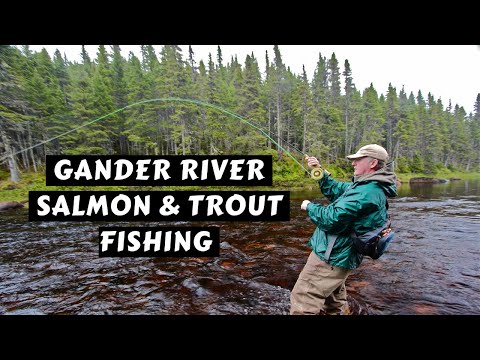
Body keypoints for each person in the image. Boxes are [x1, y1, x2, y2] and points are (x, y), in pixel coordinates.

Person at [290, 144, 397, 315]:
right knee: (334, 302)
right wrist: (319, 171)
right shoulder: (367, 186)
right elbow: (335, 189)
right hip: (342, 257)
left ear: (372, 163)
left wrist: (309, 207)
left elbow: (331, 219)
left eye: (357, 160)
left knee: (304, 298)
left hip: (331, 256)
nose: (353, 163)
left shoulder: (366, 192)